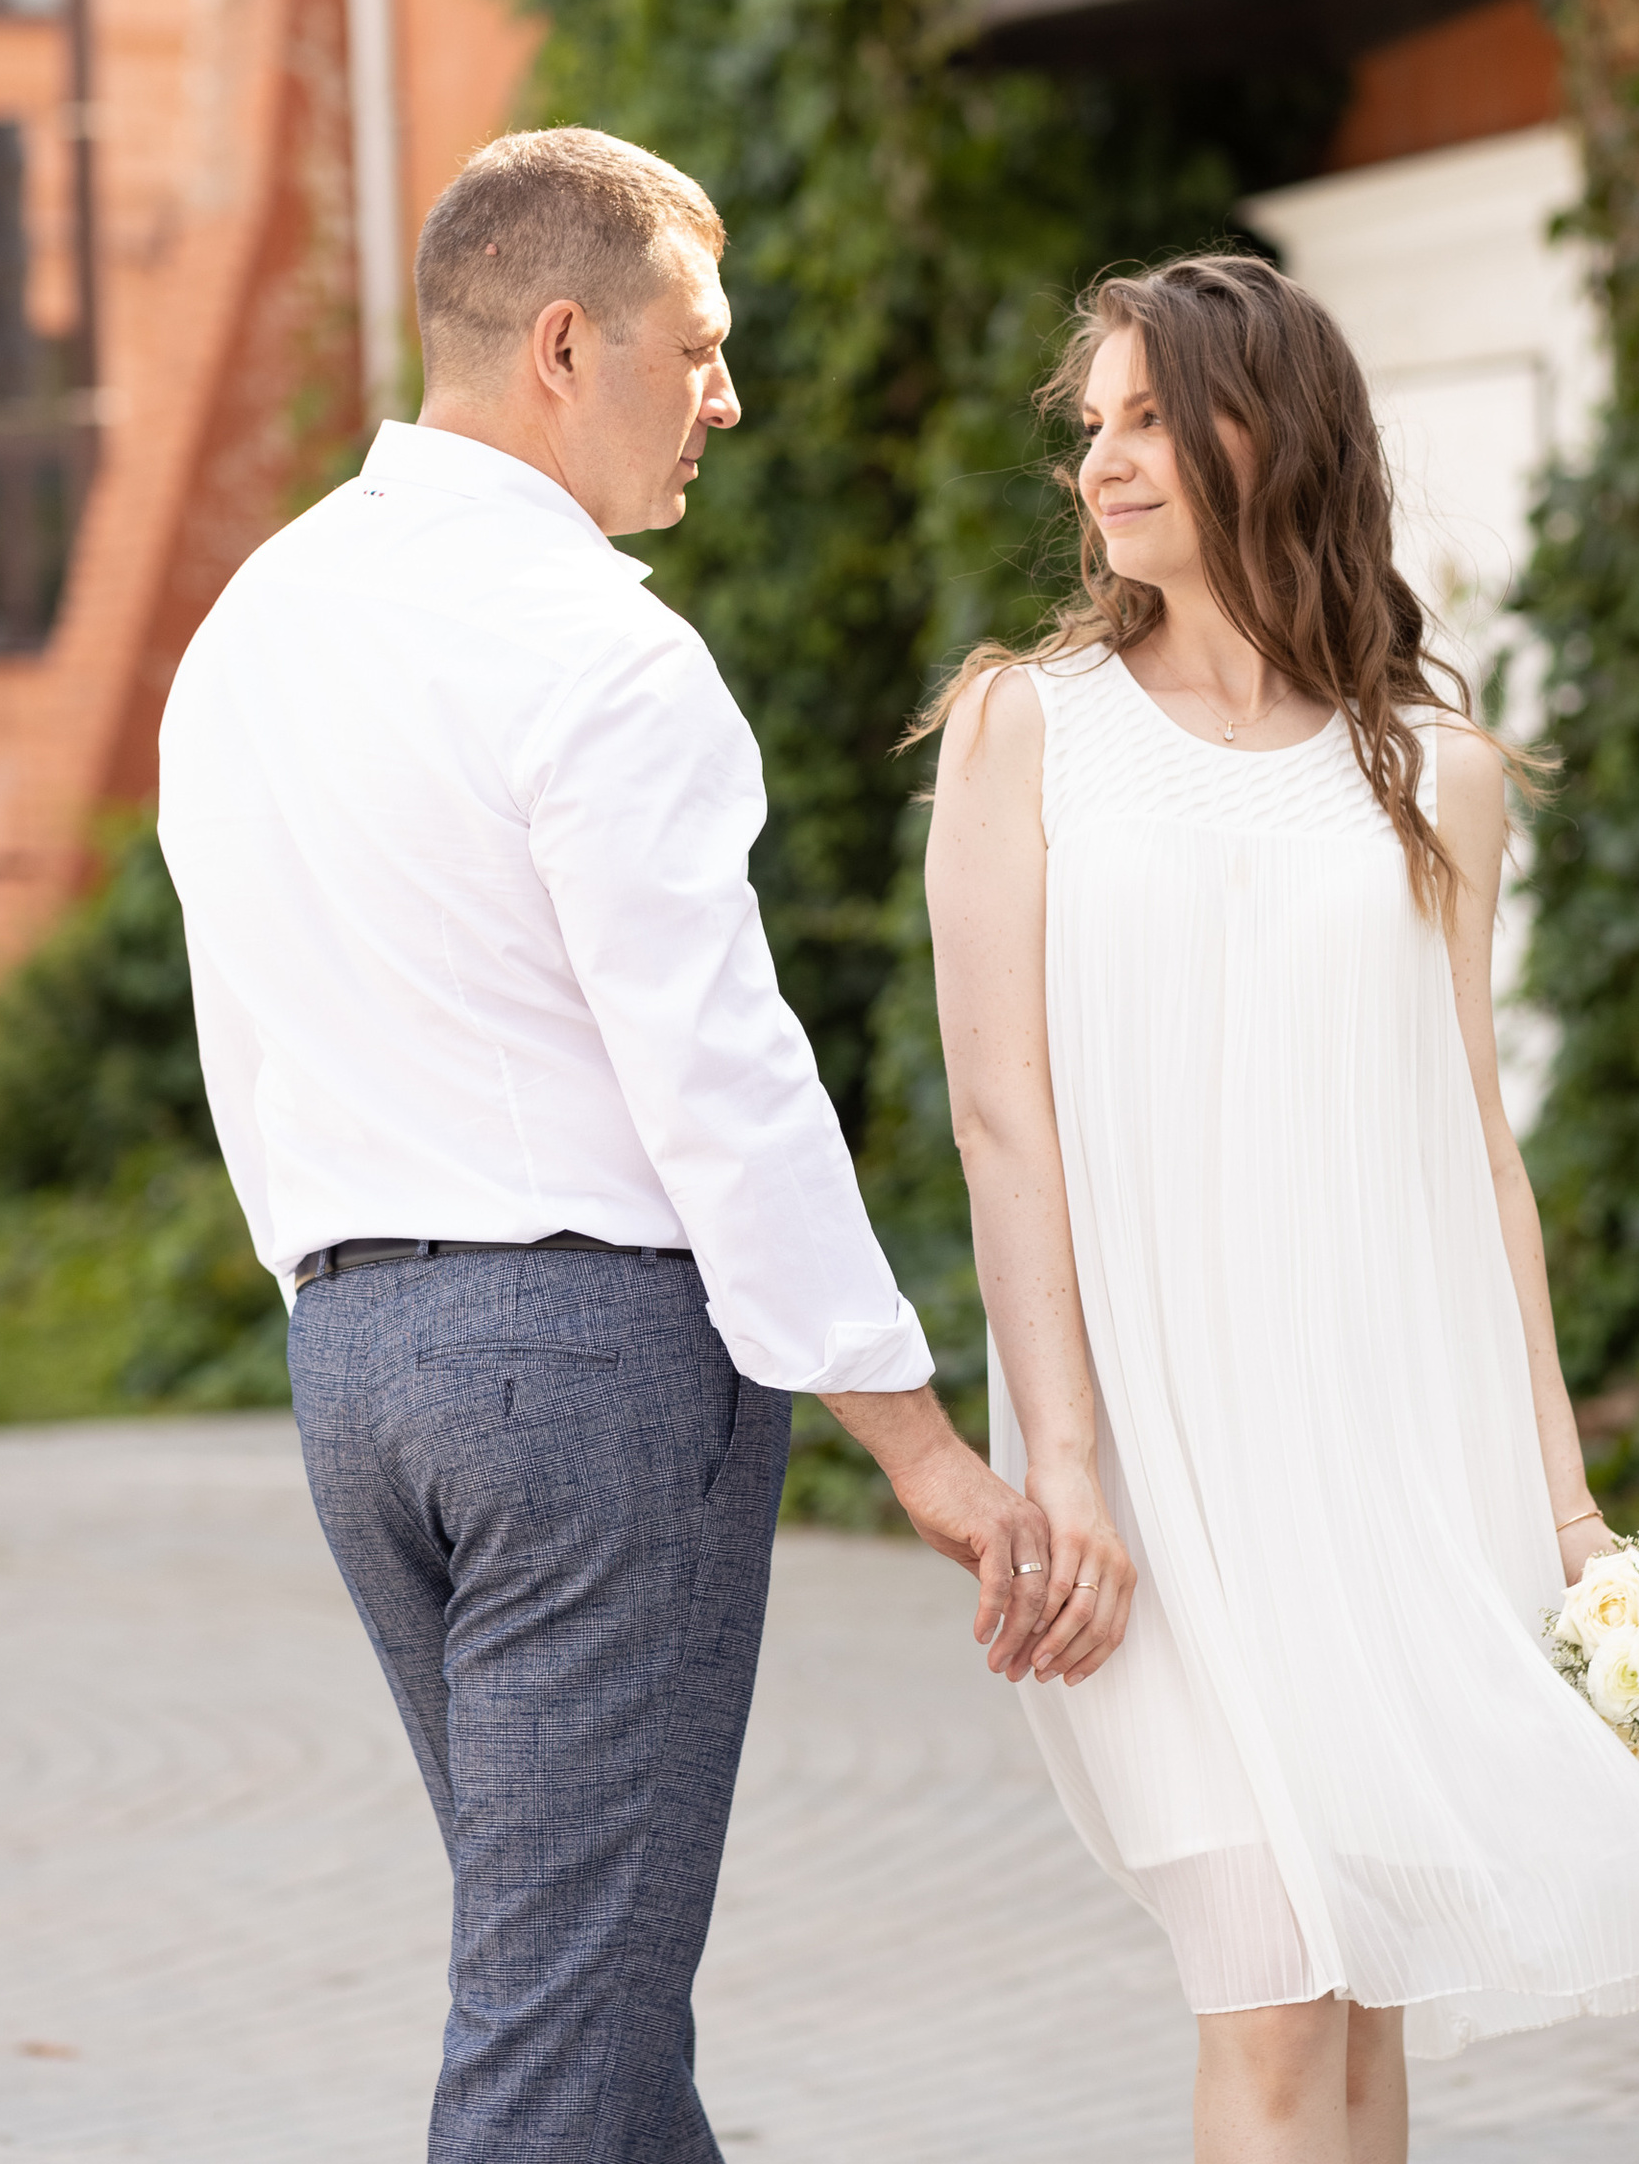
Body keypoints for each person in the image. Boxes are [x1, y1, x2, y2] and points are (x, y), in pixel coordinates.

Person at [157, 126, 1053, 2164]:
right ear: (566, 341)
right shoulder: (603, 652)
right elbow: (718, 1074)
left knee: (581, 1989)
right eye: (698, 347)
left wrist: (341, 1299)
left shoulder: (257, 617)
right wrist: (913, 1436)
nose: (724, 396)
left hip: (354, 1362)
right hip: (589, 1381)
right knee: (557, 2039)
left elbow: (252, 1036)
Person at [922, 254, 1639, 2162]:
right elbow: (997, 1121)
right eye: (1088, 425)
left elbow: (1475, 1153)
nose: (1099, 464)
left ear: (1262, 434)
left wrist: (1565, 1499)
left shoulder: (1431, 773)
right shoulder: (1029, 728)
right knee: (1273, 1988)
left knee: (1360, 1995)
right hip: (1152, 1469)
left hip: (1380, 1450)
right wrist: (1073, 1469)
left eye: (1143, 420)